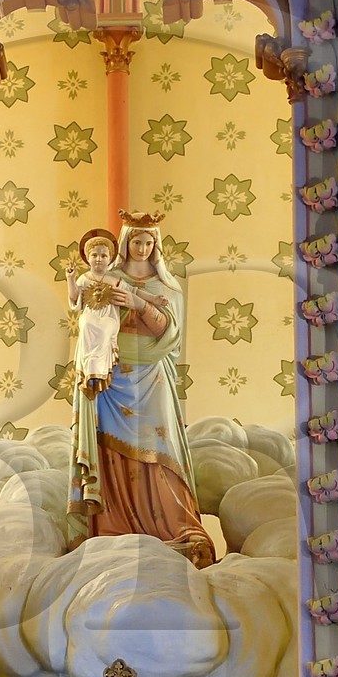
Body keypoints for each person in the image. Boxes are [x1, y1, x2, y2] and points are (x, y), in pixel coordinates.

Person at [65, 214, 214, 567]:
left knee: (159, 445)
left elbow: (170, 333)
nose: (143, 249)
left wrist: (139, 304)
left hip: (152, 375)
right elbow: (85, 314)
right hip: (111, 375)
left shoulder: (168, 286)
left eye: (149, 243)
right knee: (111, 451)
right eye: (136, 242)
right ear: (125, 244)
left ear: (156, 246)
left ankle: (173, 529)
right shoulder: (107, 277)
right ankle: (114, 527)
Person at [67, 229, 124, 397]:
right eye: (94, 255)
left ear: (110, 259)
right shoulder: (84, 279)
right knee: (86, 325)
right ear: (88, 258)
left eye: (103, 255)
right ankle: (89, 368)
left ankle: (100, 370)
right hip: (91, 316)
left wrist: (152, 299)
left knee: (105, 328)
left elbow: (132, 292)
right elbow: (75, 298)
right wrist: (70, 279)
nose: (99, 259)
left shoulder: (115, 280)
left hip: (108, 318)